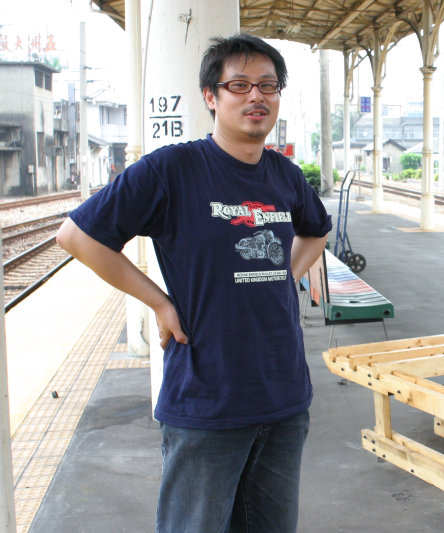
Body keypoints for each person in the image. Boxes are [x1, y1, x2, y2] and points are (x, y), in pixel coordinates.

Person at [56, 34, 331, 533]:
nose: (256, 97)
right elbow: (76, 236)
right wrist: (159, 303)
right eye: (240, 85)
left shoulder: (285, 175)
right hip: (208, 398)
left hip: (284, 396)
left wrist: (281, 274)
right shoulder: (173, 169)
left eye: (268, 86)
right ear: (212, 96)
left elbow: (317, 230)